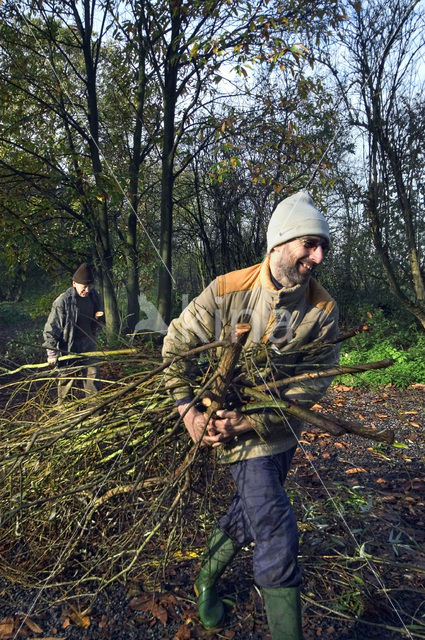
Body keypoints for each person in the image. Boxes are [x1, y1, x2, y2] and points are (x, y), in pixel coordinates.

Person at [162, 191, 340, 639]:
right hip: (235, 438)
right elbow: (175, 347)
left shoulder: (322, 309)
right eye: (309, 244)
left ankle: (206, 577)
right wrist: (188, 413)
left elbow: (315, 377)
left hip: (281, 431)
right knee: (277, 528)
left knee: (250, 511)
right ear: (279, 243)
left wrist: (256, 418)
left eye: (322, 246)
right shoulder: (228, 289)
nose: (318, 256)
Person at [43, 263, 104, 404]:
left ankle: (95, 413)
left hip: (89, 344)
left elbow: (99, 315)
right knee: (67, 382)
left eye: (90, 286)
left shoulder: (94, 295)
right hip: (68, 346)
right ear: (74, 283)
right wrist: (52, 353)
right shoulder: (63, 301)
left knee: (92, 379)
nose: (87, 290)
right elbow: (51, 328)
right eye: (84, 287)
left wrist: (98, 319)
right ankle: (65, 416)